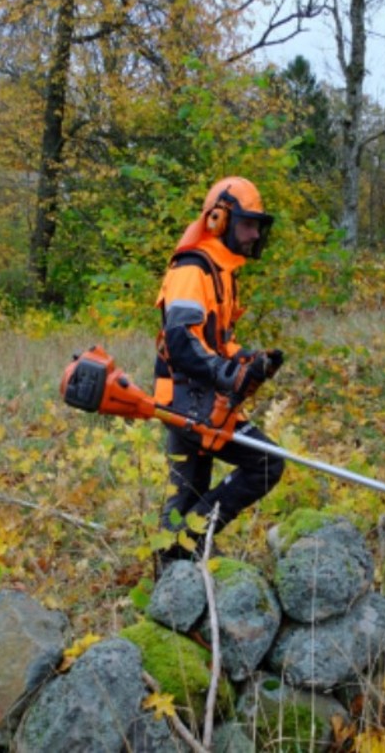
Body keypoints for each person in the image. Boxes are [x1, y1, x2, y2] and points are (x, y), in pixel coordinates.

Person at [153, 176, 285, 567]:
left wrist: (246, 360)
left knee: (189, 490)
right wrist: (228, 375)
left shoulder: (221, 271)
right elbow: (181, 342)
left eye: (258, 226)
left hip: (200, 397)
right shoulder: (193, 270)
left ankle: (176, 562)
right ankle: (188, 542)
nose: (255, 234)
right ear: (219, 220)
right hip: (186, 399)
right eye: (247, 224)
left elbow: (215, 339)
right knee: (266, 462)